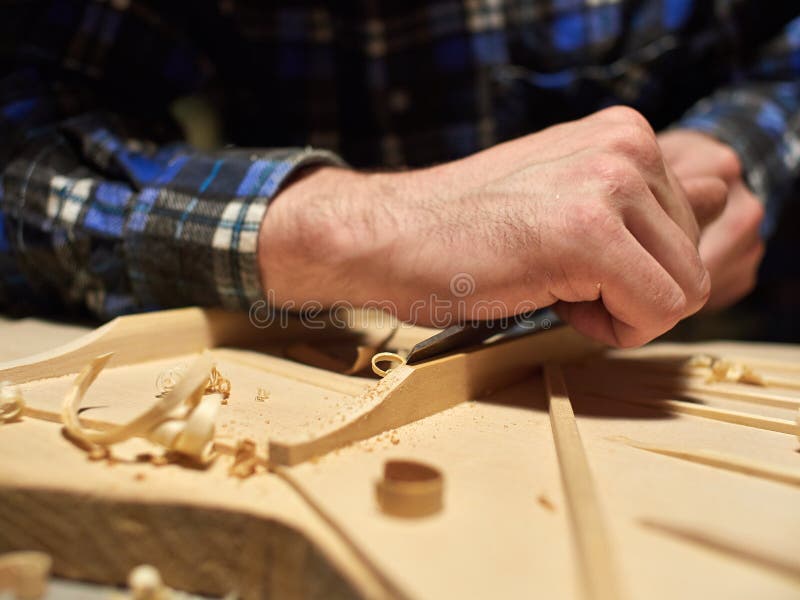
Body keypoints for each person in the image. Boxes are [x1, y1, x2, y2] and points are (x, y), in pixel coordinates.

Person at [0, 2, 797, 348]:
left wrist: (742, 149)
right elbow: (24, 135)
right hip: (319, 351)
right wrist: (328, 232)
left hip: (678, 359)